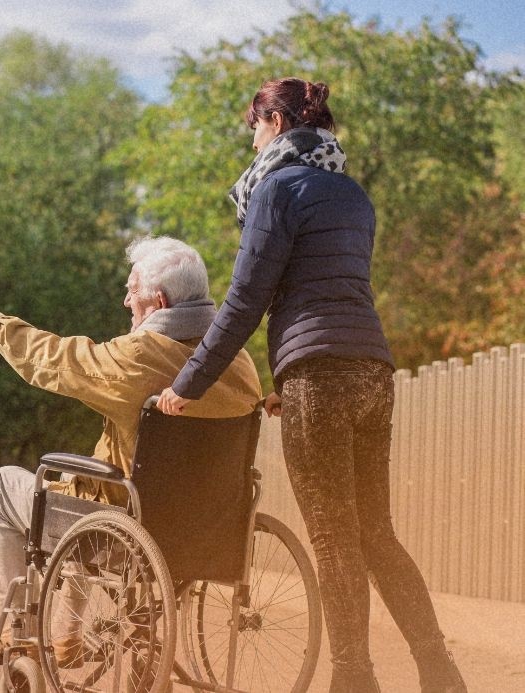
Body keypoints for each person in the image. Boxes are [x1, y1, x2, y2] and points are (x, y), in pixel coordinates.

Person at [155, 78, 466, 693]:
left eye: (252, 125)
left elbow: (247, 299)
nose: (249, 139)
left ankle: (352, 679)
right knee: (376, 532)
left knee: (333, 535)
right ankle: (441, 673)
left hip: (318, 380)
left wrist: (188, 383)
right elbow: (329, 295)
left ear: (273, 122)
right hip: (372, 371)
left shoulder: (276, 189)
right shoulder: (354, 196)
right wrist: (282, 384)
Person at [0, 236, 262, 650]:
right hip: (211, 534)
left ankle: (12, 626)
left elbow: (46, 357)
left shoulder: (136, 357)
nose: (125, 301)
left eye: (131, 288)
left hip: (128, 535)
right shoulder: (240, 362)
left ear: (157, 301)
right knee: (89, 480)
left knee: (5, 485)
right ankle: (66, 636)